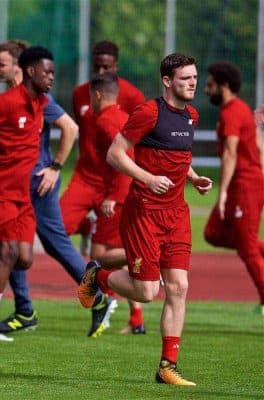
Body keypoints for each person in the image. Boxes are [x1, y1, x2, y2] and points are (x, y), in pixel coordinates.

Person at [78, 53, 213, 385]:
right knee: (147, 291)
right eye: (185, 78)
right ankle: (99, 277)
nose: (193, 83)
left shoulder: (192, 115)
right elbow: (115, 153)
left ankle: (167, 366)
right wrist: (148, 178)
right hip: (144, 213)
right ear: (167, 81)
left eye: (194, 77)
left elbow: (178, 154)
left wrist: (192, 177)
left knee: (179, 287)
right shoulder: (149, 112)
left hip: (176, 213)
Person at [0, 40, 117, 338]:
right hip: (15, 183)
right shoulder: (14, 98)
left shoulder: (39, 99)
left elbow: (71, 128)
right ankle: (24, 310)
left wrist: (55, 167)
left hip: (36, 183)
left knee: (52, 241)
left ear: (21, 66)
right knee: (13, 243)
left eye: (1, 64)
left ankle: (98, 296)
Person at [60, 40, 145, 332]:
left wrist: (118, 189)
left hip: (115, 181)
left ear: (116, 66)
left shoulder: (129, 97)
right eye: (96, 65)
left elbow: (132, 145)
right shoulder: (79, 93)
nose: (100, 69)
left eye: (106, 66)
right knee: (58, 227)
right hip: (86, 175)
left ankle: (130, 316)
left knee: (106, 254)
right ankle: (89, 228)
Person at [0, 46, 52, 341]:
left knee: (25, 258)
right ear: (30, 71)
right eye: (47, 72)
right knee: (8, 252)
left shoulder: (41, 103)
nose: (52, 78)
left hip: (22, 196)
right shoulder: (4, 103)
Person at [203, 61, 264, 315]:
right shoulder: (239, 110)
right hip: (248, 184)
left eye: (210, 85)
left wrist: (224, 190)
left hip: (244, 186)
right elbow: (258, 147)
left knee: (247, 248)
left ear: (224, 85)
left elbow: (230, 154)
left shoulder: (231, 113)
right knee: (213, 233)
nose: (206, 90)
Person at [89, 72, 146, 335]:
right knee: (117, 259)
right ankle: (136, 319)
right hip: (128, 194)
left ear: (97, 95)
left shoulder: (105, 120)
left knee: (99, 258)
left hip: (120, 197)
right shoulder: (123, 116)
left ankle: (106, 304)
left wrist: (114, 196)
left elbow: (126, 157)